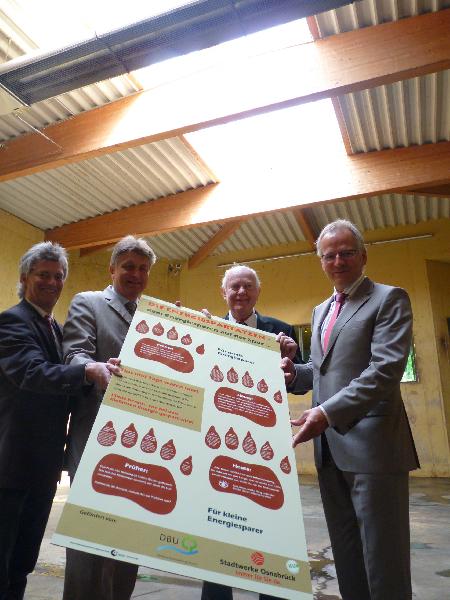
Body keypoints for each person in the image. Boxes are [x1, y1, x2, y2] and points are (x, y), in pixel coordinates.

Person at [281, 220, 419, 600]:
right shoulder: (321, 310)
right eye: (329, 256)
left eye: (346, 253)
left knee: (383, 559)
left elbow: (385, 370)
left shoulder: (389, 299)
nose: (338, 261)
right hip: (328, 450)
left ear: (363, 255)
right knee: (347, 556)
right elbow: (322, 370)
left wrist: (325, 413)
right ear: (321, 262)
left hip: (373, 450)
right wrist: (295, 373)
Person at [0, 241, 118, 600]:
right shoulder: (12, 322)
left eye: (58, 275)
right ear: (25, 278)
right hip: (11, 468)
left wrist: (106, 372)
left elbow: (65, 383)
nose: (52, 282)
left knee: (21, 564)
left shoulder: (55, 327)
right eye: (43, 275)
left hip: (43, 468)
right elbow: (32, 373)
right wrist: (87, 371)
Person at [61, 235, 156, 600]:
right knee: (89, 543)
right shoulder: (88, 302)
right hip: (96, 440)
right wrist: (95, 368)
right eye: (128, 266)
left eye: (143, 269)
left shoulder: (154, 315)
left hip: (142, 448)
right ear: (112, 269)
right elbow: (74, 354)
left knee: (128, 542)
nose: (135, 274)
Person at [202, 264, 301, 600]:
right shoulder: (209, 329)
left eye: (248, 286)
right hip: (218, 441)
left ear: (258, 292)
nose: (241, 292)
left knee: (269, 520)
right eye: (235, 287)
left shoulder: (281, 332)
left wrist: (290, 364)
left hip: (267, 443)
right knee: (216, 524)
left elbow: (299, 383)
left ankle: (272, 591)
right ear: (224, 293)